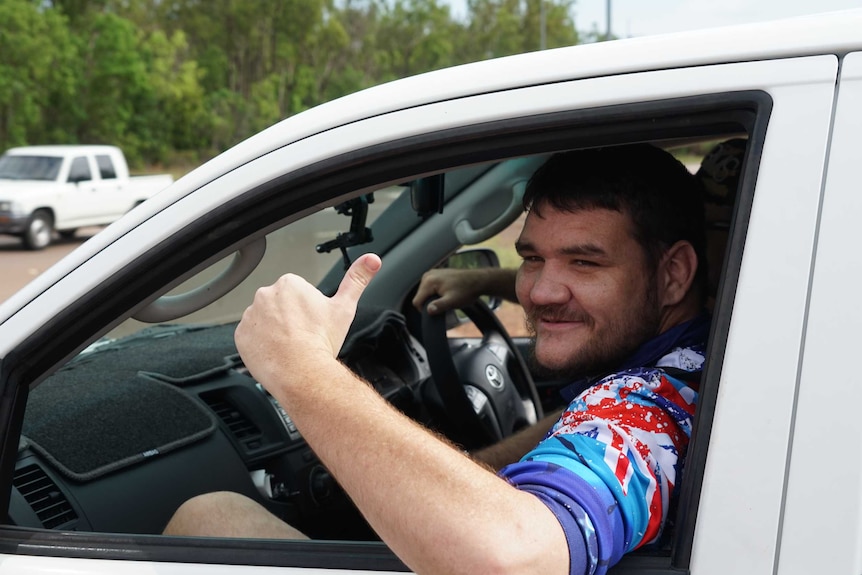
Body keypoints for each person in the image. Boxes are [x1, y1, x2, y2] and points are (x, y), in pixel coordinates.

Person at [164, 143, 710, 575]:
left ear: (674, 274)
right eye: (531, 258)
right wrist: (490, 281)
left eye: (586, 263)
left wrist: (303, 371)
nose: (542, 292)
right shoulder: (704, 353)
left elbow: (510, 560)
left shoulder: (650, 408)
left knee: (208, 517)